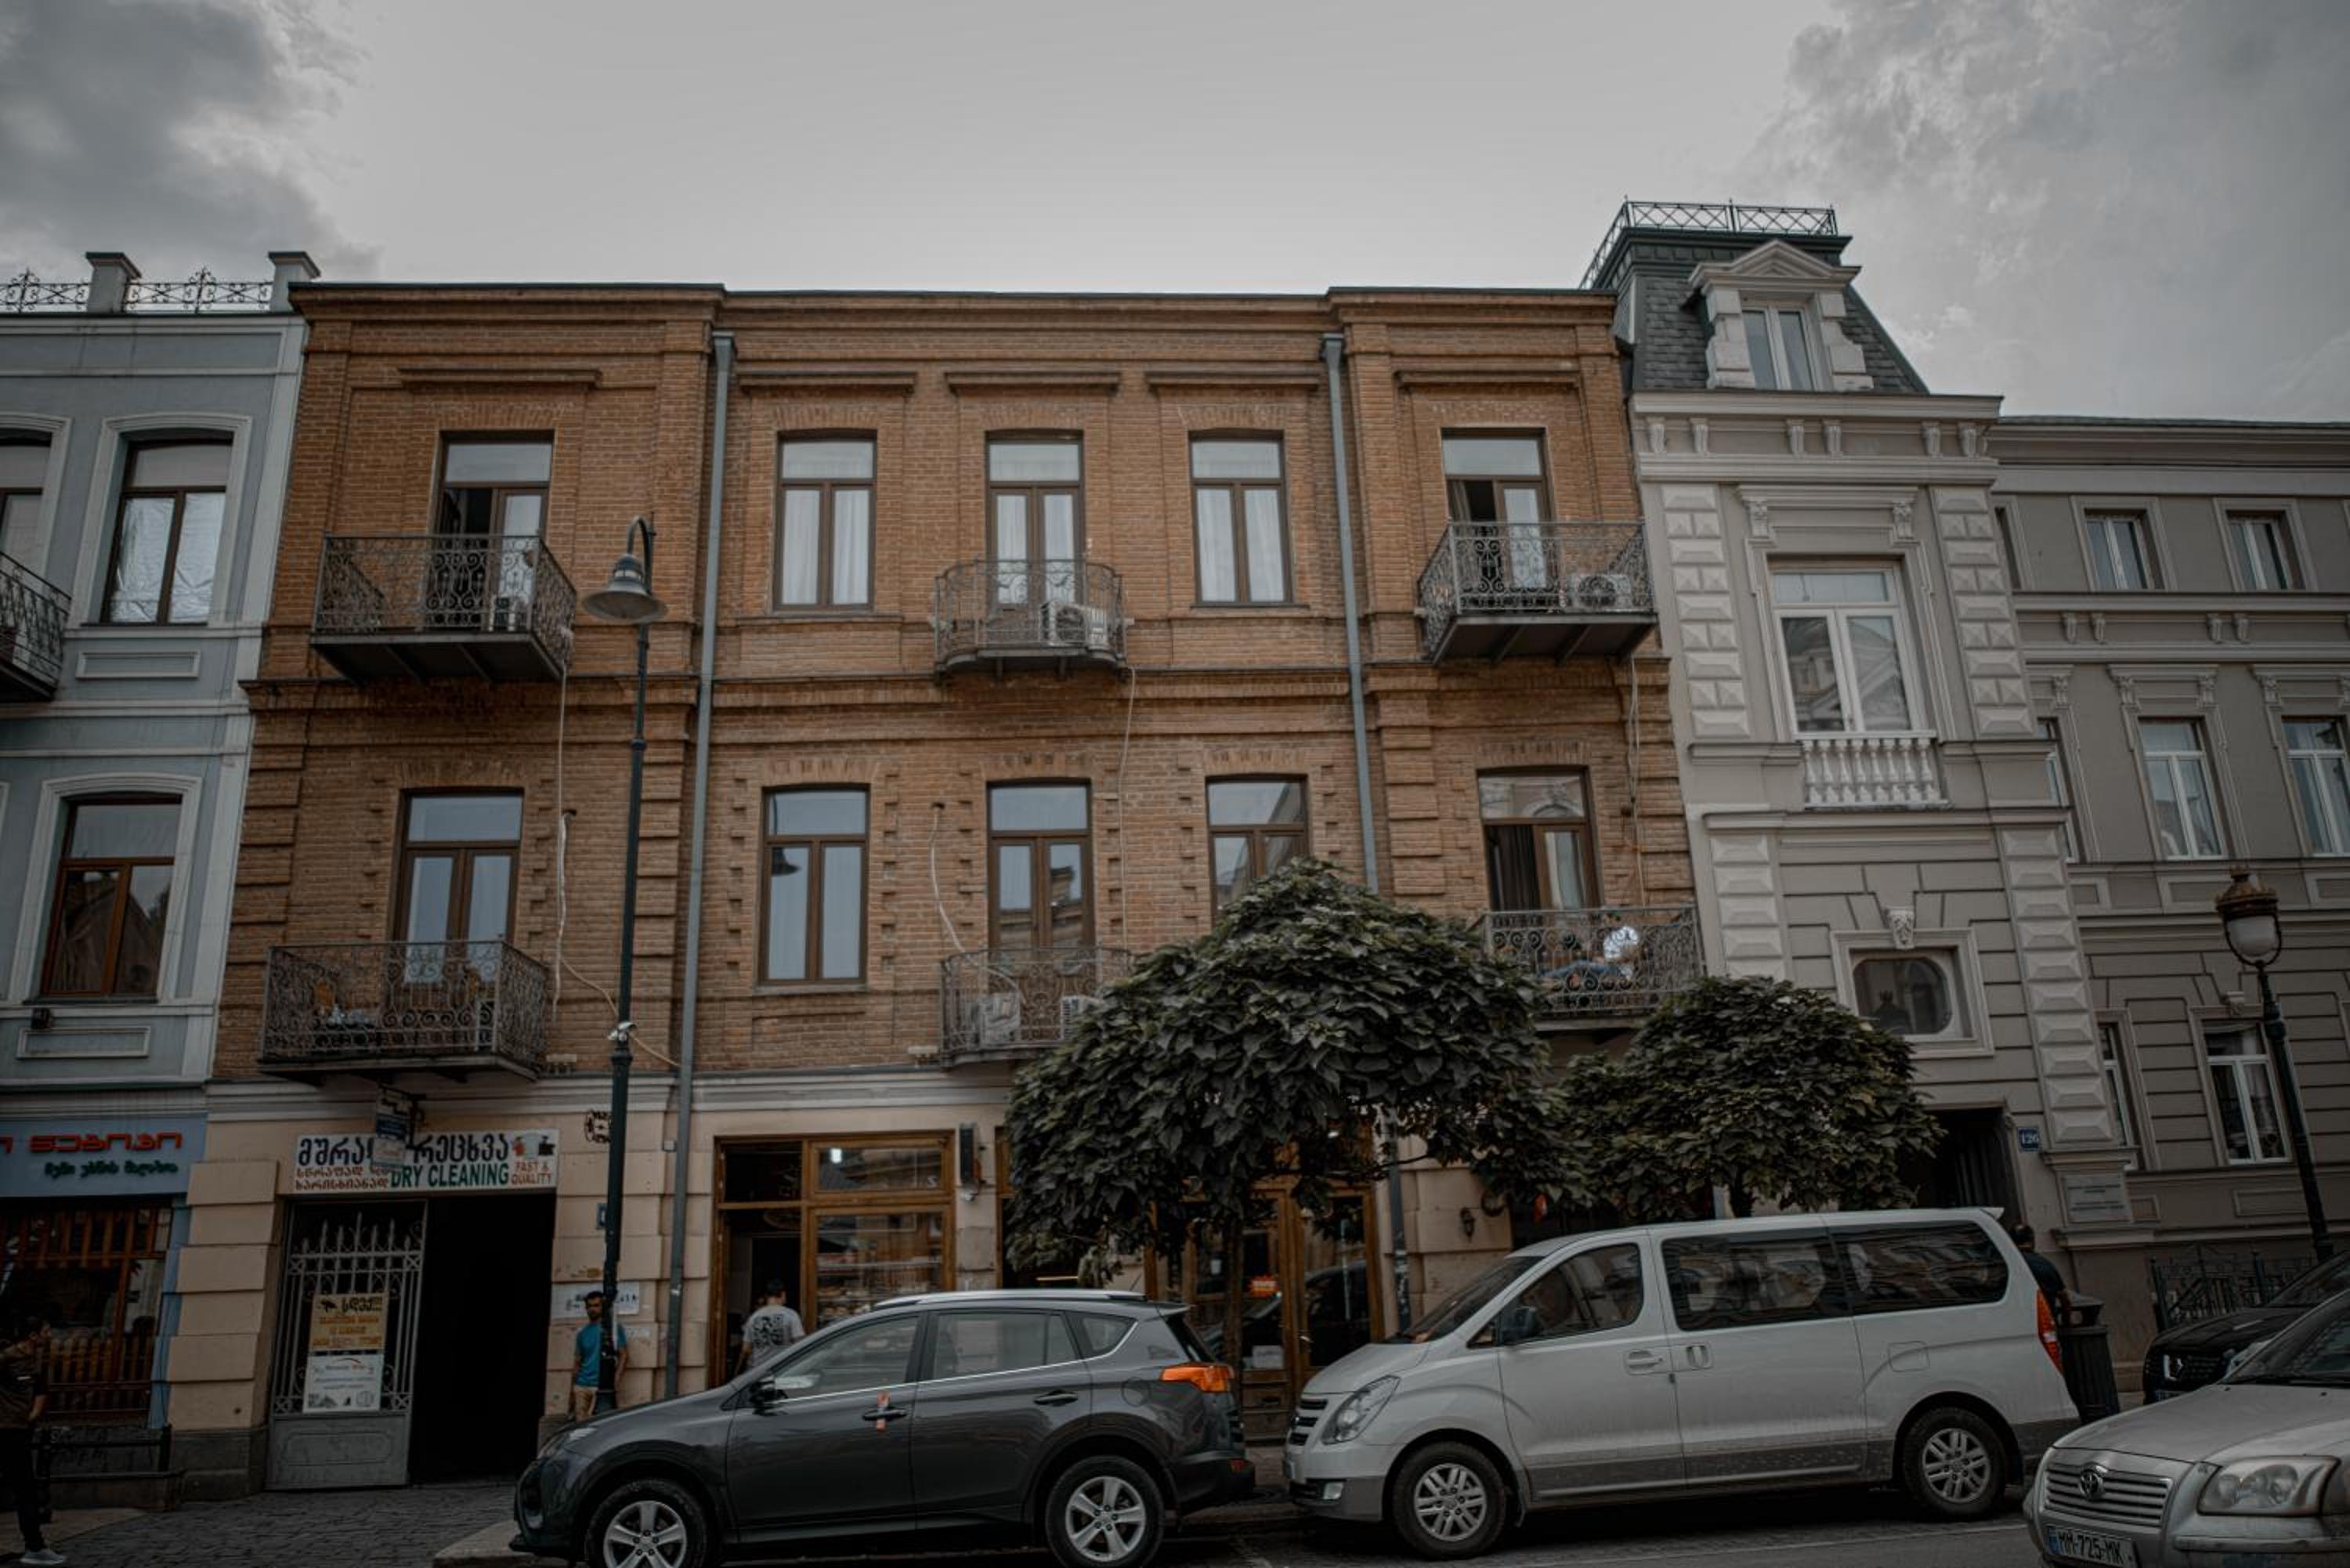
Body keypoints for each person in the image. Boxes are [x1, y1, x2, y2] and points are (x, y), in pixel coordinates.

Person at [0, 1307, 63, 1567]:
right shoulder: (7, 1358)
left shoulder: (33, 1359)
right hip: (6, 1431)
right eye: (46, 1332)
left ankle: (35, 1546)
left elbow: (39, 1389)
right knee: (25, 1489)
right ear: (33, 1335)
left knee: (26, 1490)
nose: (50, 1336)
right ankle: (34, 1547)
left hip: (19, 1430)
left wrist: (33, 1415)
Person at [570, 1290, 626, 1422]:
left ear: (603, 1307)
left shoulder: (613, 1329)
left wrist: (616, 1379)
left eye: (596, 1305)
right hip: (582, 1386)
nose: (592, 1309)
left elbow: (623, 1355)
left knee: (596, 1423)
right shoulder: (582, 1333)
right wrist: (573, 1389)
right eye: (589, 1306)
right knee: (580, 1425)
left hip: (601, 1387)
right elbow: (577, 1362)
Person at [737, 1281, 805, 1375]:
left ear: (767, 1296)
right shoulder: (791, 1315)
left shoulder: (753, 1317)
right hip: (783, 1369)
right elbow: (800, 1344)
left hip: (758, 1371)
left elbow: (746, 1348)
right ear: (782, 1294)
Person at [2010, 1222, 2073, 1320]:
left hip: (2018, 1320)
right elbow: (2065, 1298)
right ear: (2033, 1241)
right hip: (2046, 1320)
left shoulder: (2009, 1265)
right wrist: (2066, 1321)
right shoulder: (2047, 1265)